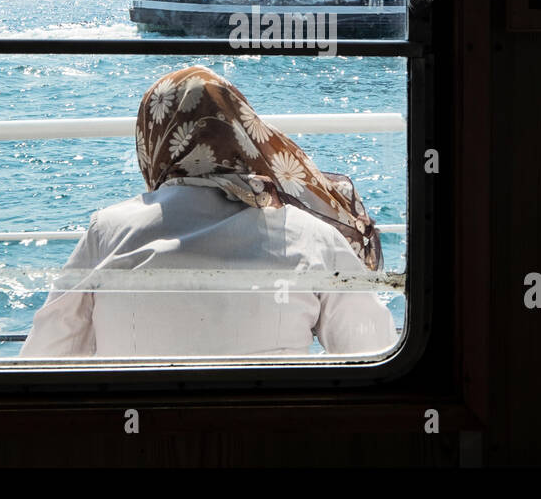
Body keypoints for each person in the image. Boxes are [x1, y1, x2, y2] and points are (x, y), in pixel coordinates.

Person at [20, 66, 398, 358]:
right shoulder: (309, 236)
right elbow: (372, 350)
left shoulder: (109, 231)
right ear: (242, 136)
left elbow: (48, 355)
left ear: (153, 141)